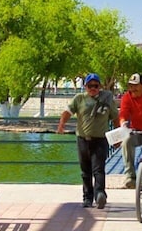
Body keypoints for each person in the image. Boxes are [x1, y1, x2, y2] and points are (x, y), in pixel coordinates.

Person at [57, 73, 118, 209]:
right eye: (90, 86)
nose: (93, 88)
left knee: (99, 169)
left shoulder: (107, 99)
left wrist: (117, 137)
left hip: (100, 140)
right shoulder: (79, 99)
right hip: (83, 140)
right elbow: (67, 112)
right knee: (85, 171)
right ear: (85, 86)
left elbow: (115, 118)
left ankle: (100, 194)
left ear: (99, 86)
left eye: (96, 86)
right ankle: (87, 198)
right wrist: (61, 124)